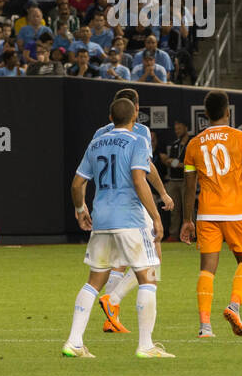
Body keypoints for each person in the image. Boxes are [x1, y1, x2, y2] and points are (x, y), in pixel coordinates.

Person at [64, 97, 172, 359]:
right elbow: (139, 179)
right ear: (134, 118)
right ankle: (146, 346)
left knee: (93, 282)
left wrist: (80, 210)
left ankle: (74, 342)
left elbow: (78, 184)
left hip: (101, 220)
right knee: (148, 277)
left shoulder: (96, 142)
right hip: (131, 221)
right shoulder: (137, 140)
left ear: (110, 118)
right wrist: (155, 216)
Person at [179, 91, 242, 339]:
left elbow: (189, 185)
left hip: (206, 213)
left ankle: (205, 327)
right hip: (236, 212)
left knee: (207, 269)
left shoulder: (194, 143)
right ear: (228, 111)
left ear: (206, 114)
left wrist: (187, 220)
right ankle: (234, 305)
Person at [93, 89, 175, 335]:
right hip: (133, 206)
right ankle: (114, 300)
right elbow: (145, 169)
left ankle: (111, 317)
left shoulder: (99, 134)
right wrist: (162, 194)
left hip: (105, 208)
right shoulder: (140, 133)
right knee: (153, 260)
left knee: (118, 262)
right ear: (135, 109)